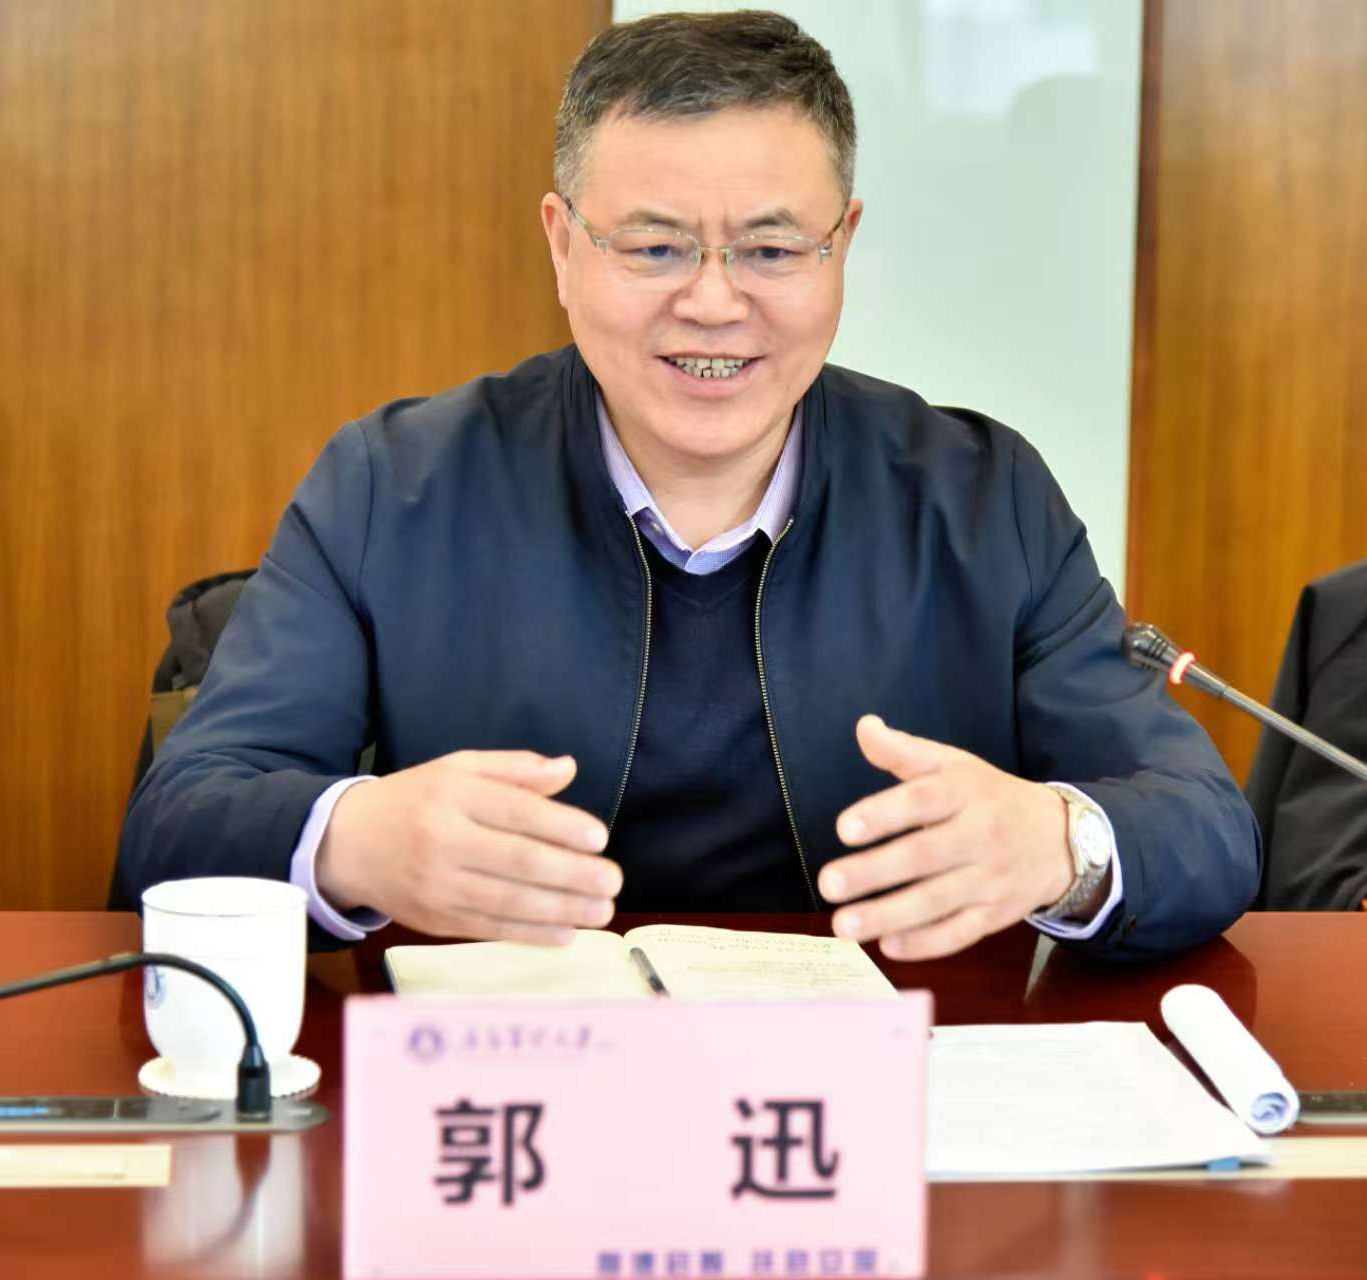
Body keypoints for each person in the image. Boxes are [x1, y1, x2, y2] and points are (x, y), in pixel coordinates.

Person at [119, 10, 1259, 960]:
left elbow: (1206, 827)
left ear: (842, 245)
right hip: (506, 1083)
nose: (713, 303)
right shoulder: (393, 483)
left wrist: (1057, 844)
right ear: (562, 245)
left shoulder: (981, 498)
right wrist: (357, 840)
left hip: (874, 1097)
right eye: (654, 246)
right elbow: (174, 825)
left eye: (772, 249)